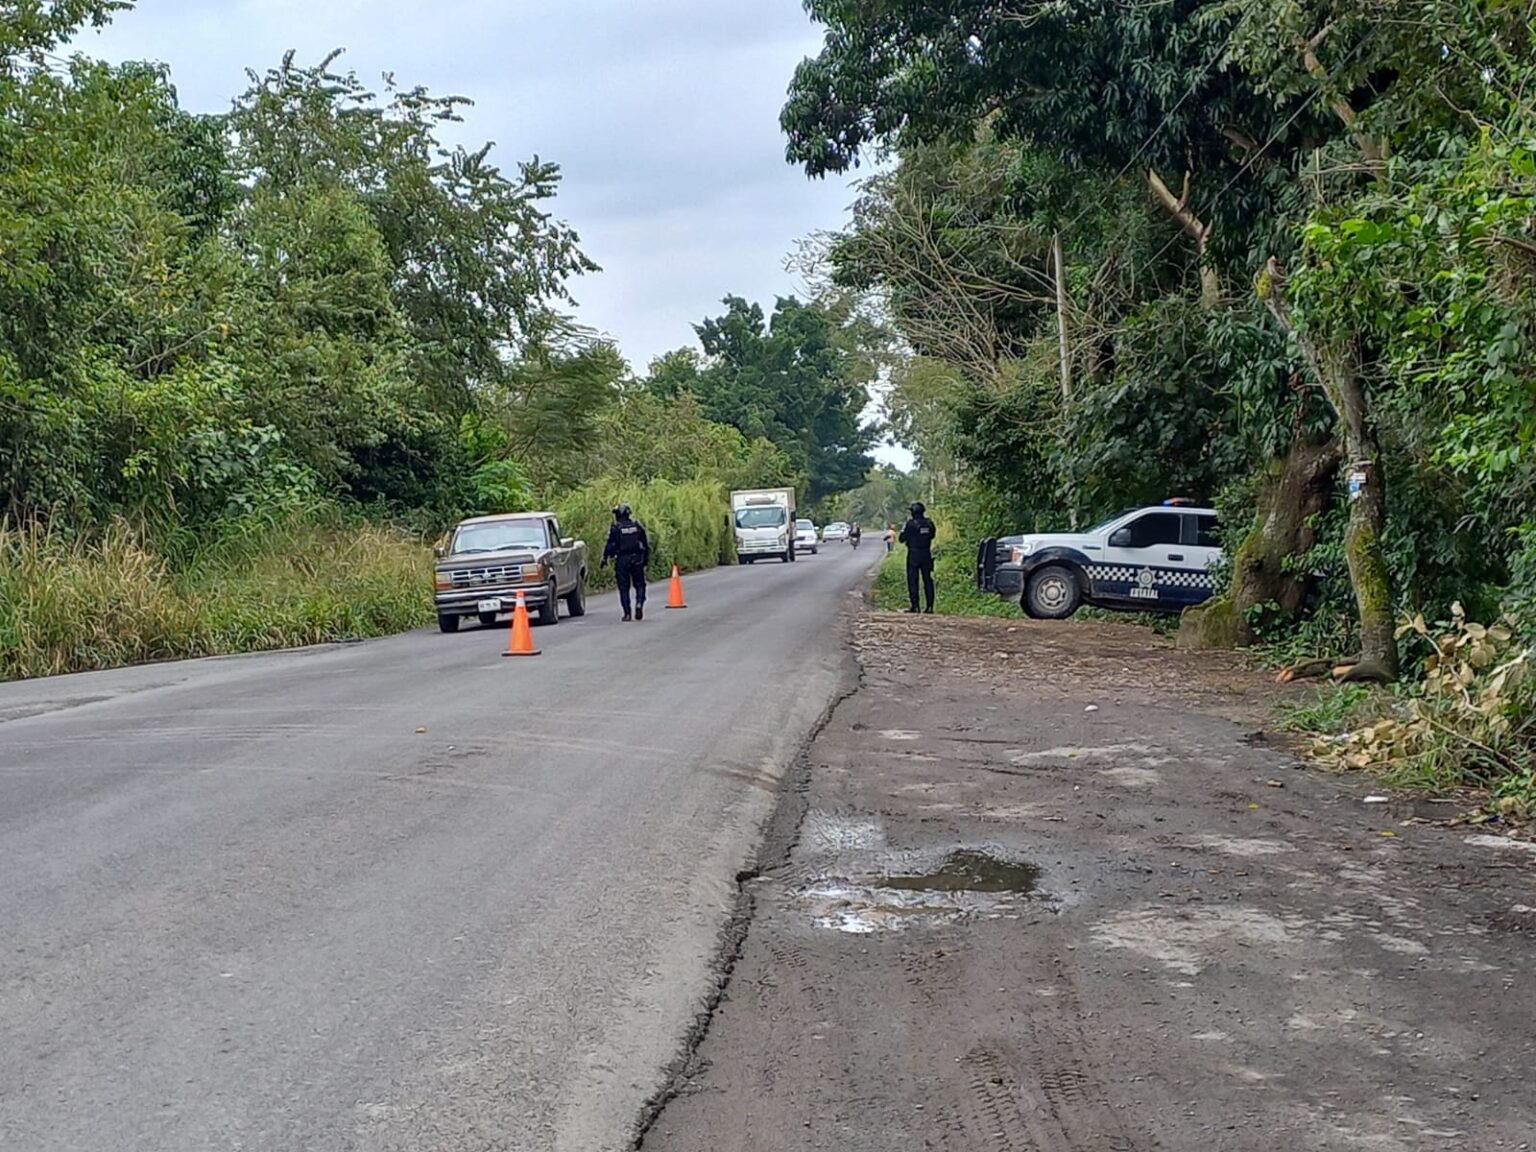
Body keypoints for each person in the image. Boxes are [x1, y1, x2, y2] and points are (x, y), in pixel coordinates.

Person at [601, 503, 651, 621]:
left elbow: (610, 546)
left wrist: (605, 558)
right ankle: (639, 603)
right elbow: (645, 545)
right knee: (640, 584)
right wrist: (645, 559)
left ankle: (627, 613)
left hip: (622, 560)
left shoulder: (616, 529)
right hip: (637, 558)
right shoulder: (637, 526)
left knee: (624, 588)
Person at [899, 502, 937, 614]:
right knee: (928, 580)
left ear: (913, 513)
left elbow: (902, 538)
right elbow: (932, 535)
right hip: (926, 553)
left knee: (913, 580)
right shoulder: (929, 523)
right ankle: (930, 607)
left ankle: (915, 606)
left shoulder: (910, 524)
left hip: (914, 554)